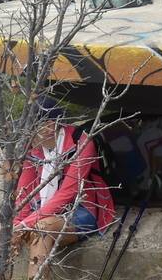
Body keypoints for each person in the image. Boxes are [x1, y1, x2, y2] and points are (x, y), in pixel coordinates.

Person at [11, 98, 115, 279]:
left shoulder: (81, 142)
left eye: (31, 128)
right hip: (42, 207)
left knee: (42, 230)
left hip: (80, 208)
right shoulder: (32, 148)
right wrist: (15, 225)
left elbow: (68, 193)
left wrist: (25, 224)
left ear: (49, 126)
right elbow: (24, 192)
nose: (26, 134)